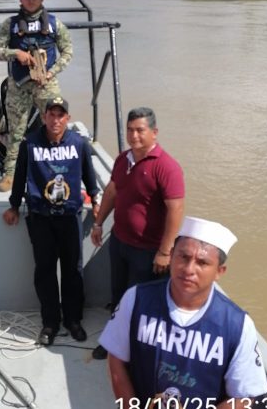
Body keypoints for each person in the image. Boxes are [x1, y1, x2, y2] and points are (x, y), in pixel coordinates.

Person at [99, 216, 267, 403]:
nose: (189, 269)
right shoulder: (136, 299)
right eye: (184, 257)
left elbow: (243, 396)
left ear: (219, 272)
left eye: (202, 263)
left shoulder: (237, 325)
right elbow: (116, 359)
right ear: (171, 256)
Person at [3, 97, 100, 346]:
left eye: (61, 115)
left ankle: (73, 320)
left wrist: (96, 200)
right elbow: (20, 176)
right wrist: (13, 205)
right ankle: (50, 322)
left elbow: (89, 175)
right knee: (45, 270)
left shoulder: (79, 143)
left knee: (72, 270)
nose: (56, 120)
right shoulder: (29, 144)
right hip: (41, 217)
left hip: (69, 217)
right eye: (51, 115)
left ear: (67, 118)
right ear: (44, 116)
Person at [91, 107, 185, 359]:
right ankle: (113, 342)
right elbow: (112, 191)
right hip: (119, 242)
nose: (134, 136)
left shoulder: (166, 167)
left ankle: (136, 353)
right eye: (130, 130)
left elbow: (176, 209)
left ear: (154, 132)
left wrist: (165, 251)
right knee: (118, 294)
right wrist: (99, 223)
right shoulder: (123, 160)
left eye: (140, 130)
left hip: (148, 250)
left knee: (142, 302)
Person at [0, 0, 73, 192]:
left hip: (46, 83)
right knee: (16, 131)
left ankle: (60, 168)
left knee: (56, 126)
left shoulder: (55, 24)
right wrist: (15, 53)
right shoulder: (9, 24)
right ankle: (10, 174)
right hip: (19, 84)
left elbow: (67, 52)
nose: (31, 0)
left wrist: (51, 72)